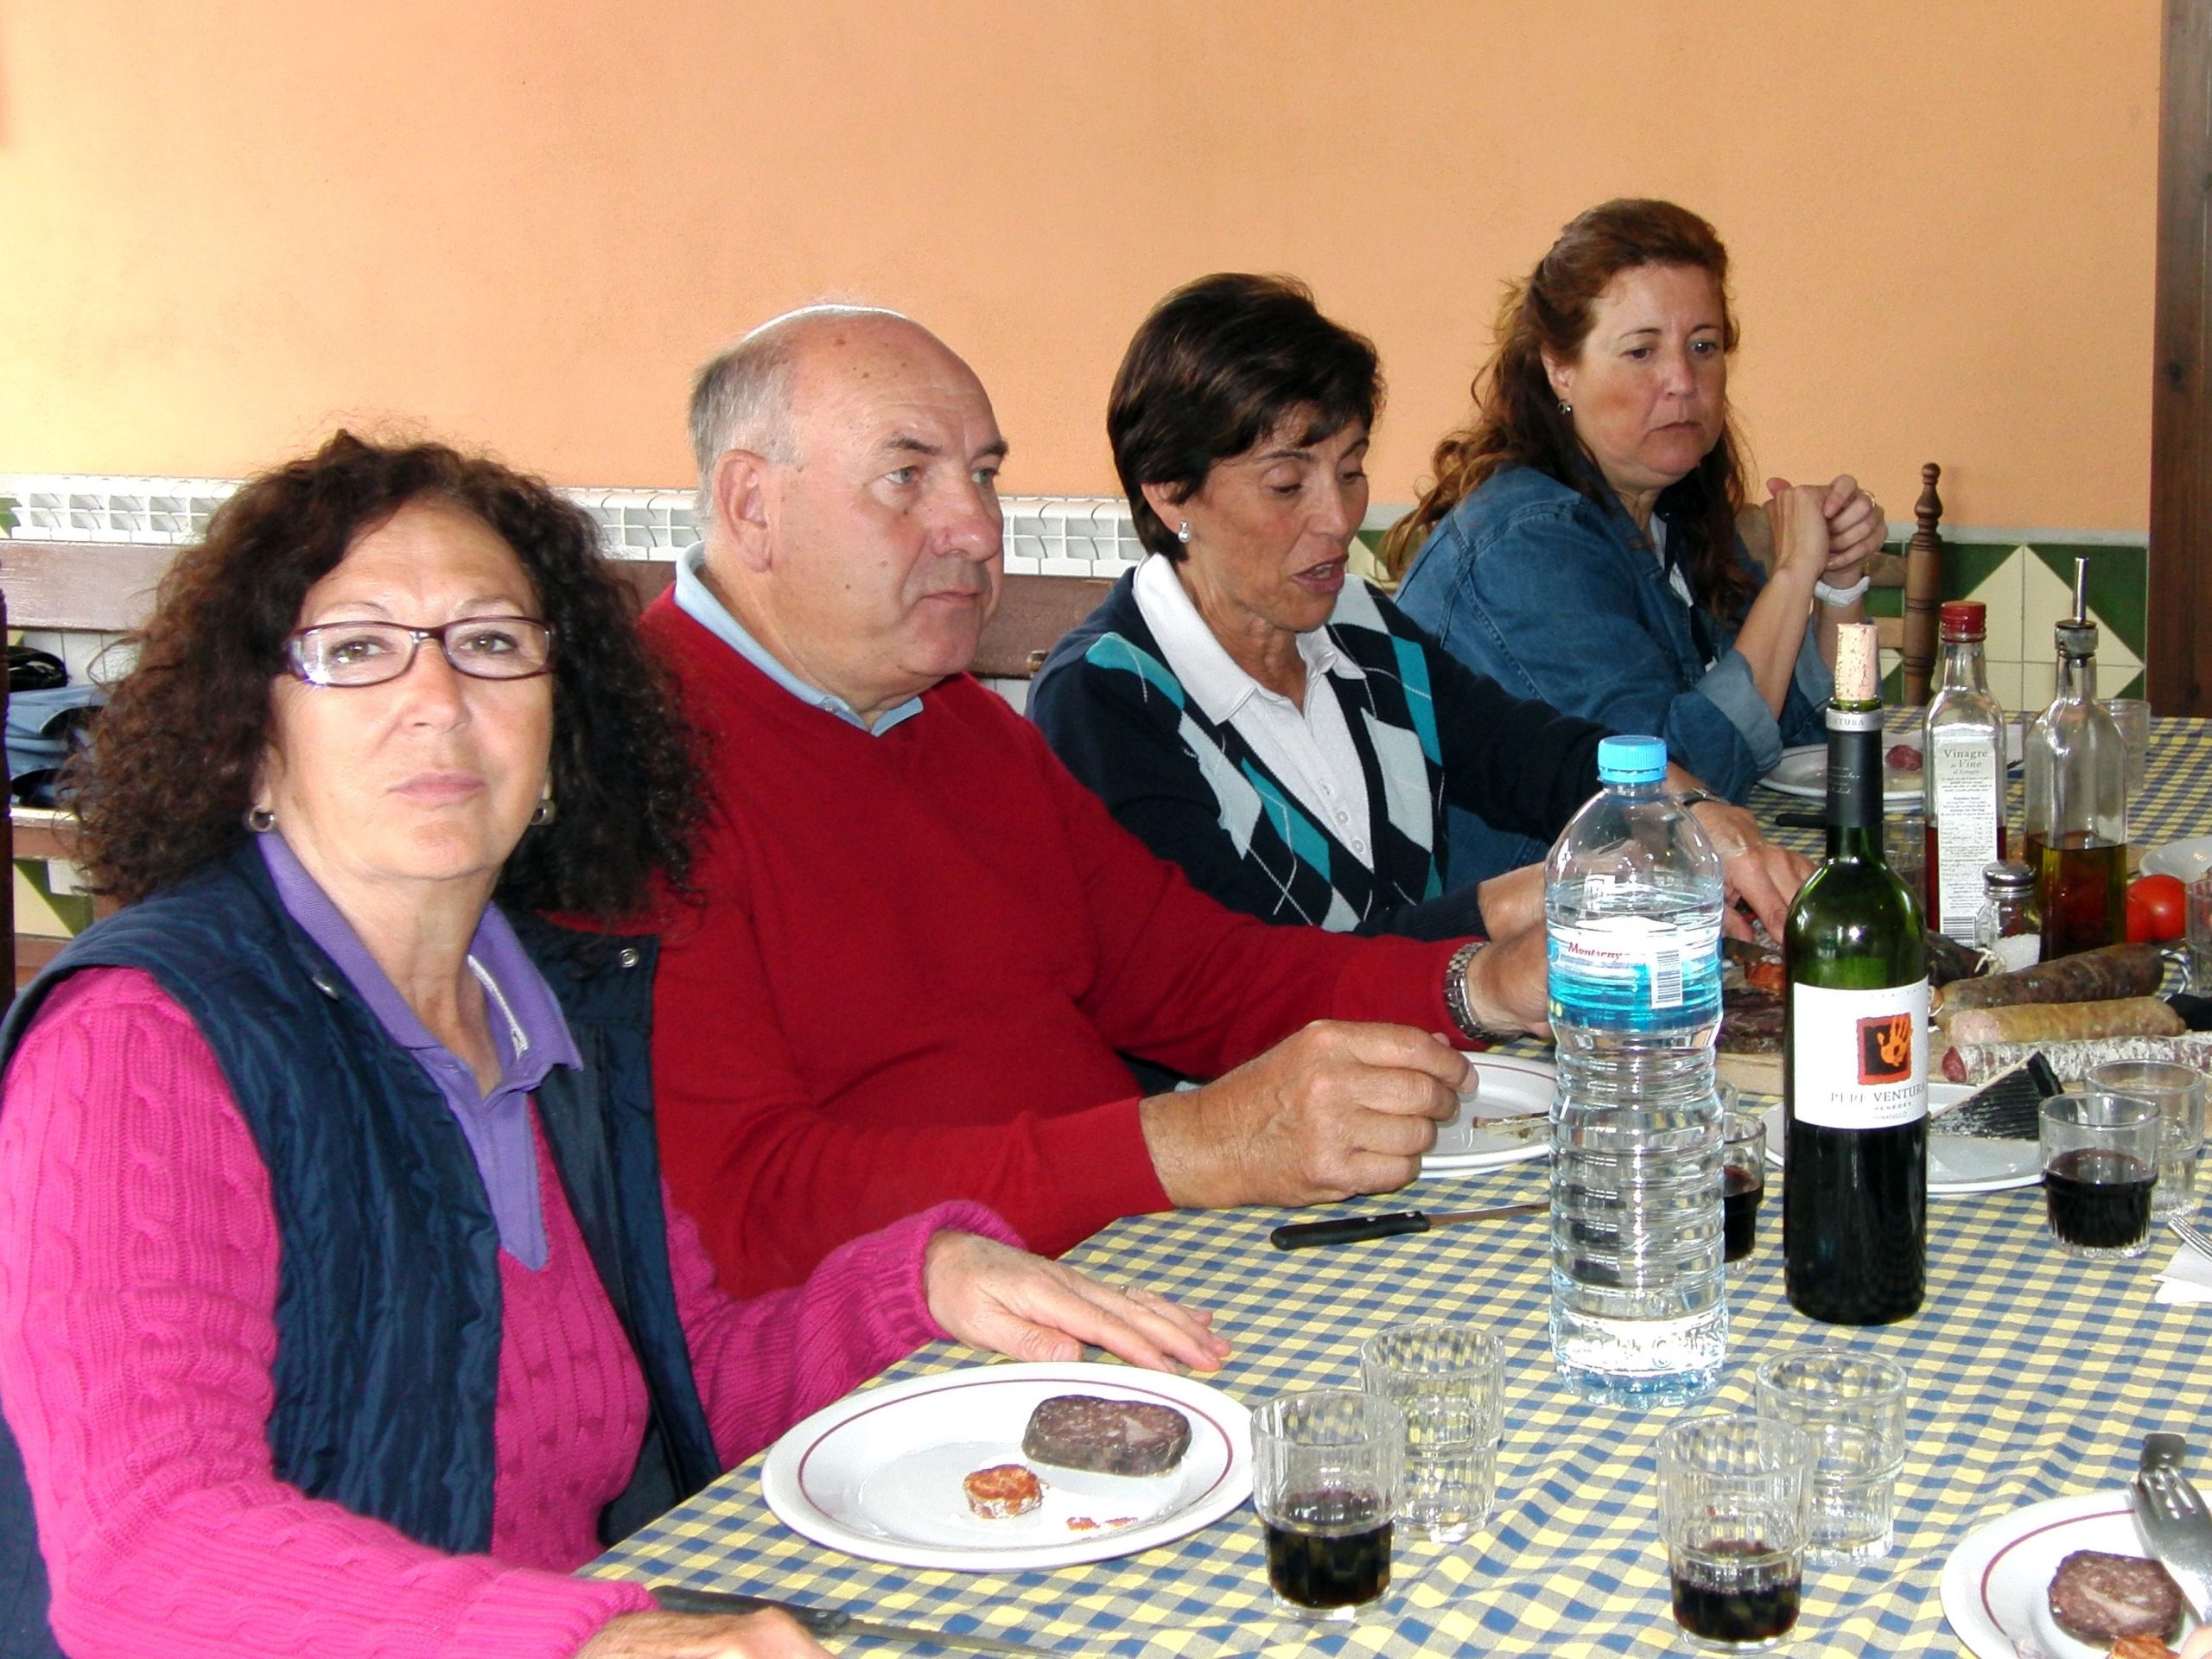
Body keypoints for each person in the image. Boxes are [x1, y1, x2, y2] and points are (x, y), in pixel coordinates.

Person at [0, 434, 1226, 1659]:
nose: (439, 700)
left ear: (560, 726)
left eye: (491, 644)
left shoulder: (555, 1011)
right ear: (248, 739)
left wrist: (922, 1282)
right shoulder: (142, 1044)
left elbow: (683, 1381)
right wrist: (592, 1643)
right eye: (357, 650)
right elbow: (146, 1548)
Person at [643, 303, 1558, 1301]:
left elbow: (1194, 976)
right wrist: (1186, 1144)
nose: (978, 528)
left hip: (1126, 1258)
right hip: (921, 1347)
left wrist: (1482, 985)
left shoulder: (954, 719)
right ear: (751, 505)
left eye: (983, 474)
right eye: (907, 476)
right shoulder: (637, 767)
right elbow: (747, 1208)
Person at [1029, 272, 1808, 944]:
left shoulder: (1359, 629)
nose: (1338, 518)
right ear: (1171, 493)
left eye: (1352, 470)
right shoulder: (1105, 698)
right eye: (1287, 485)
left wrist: (1687, 808)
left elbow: (1537, 755)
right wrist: (1519, 902)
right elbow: (1237, 980)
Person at [1387, 199, 1888, 882]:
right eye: (1641, 351)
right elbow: (1669, 791)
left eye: (1703, 346)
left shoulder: (1674, 517)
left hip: (1649, 901)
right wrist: (1795, 572)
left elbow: (1811, 741)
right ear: (1560, 370)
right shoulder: (1527, 543)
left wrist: (1839, 585)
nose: (1682, 381)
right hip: (1526, 928)